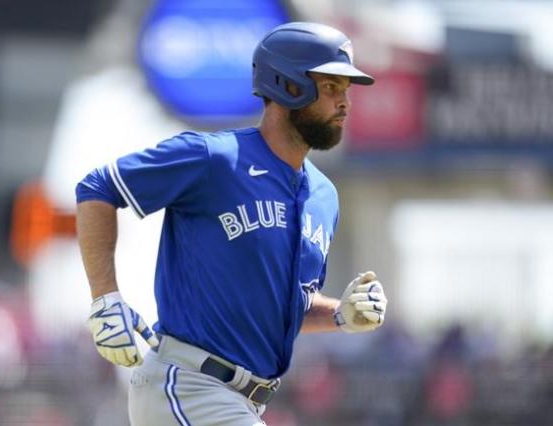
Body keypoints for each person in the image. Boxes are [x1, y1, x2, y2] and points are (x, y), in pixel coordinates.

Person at [76, 22, 388, 426]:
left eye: (346, 89)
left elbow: (285, 306)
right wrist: (105, 297)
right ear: (288, 86)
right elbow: (98, 188)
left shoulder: (323, 196)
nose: (345, 102)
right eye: (331, 86)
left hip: (243, 402)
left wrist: (340, 314)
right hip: (188, 386)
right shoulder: (214, 158)